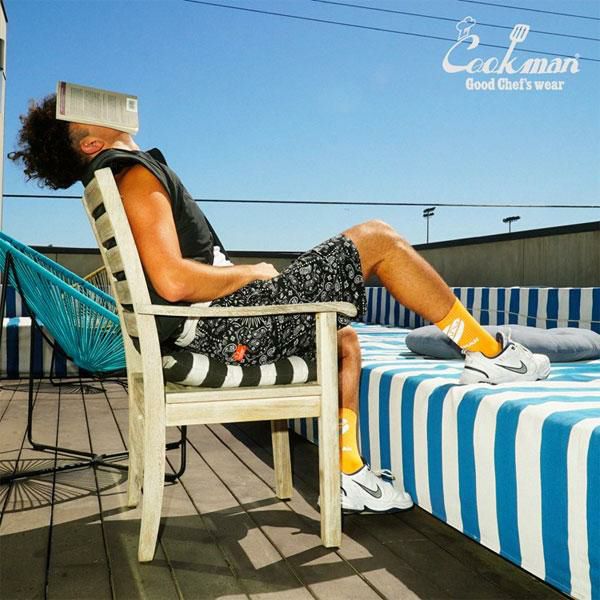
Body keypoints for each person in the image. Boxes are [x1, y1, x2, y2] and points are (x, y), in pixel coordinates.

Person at [9, 94, 550, 514]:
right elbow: (171, 281)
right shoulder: (130, 170)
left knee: (343, 340)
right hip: (223, 330)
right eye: (89, 108)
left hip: (217, 328)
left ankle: (348, 474)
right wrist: (252, 272)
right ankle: (487, 352)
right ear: (90, 142)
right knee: (378, 239)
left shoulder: (117, 174)